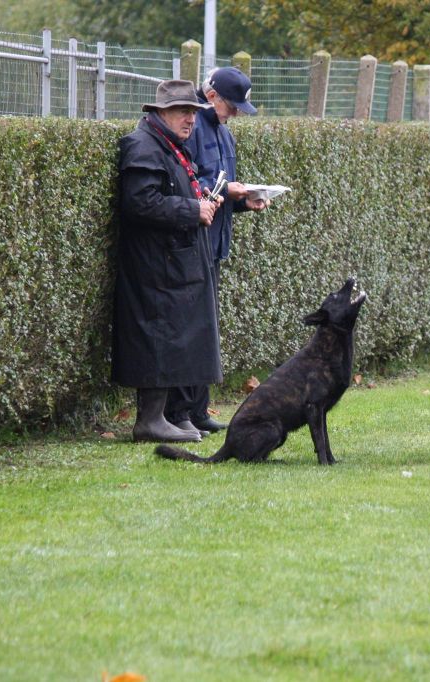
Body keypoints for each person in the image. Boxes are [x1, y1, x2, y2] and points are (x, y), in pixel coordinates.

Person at [112, 79, 223, 443]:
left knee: (176, 336)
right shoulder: (142, 145)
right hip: (153, 266)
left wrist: (202, 199)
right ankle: (150, 421)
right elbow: (140, 202)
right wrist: (193, 209)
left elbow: (170, 191)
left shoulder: (171, 145)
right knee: (158, 337)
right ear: (160, 112)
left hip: (172, 262)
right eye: (182, 111)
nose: (190, 119)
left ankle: (169, 417)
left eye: (192, 112)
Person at [170, 67, 269, 435]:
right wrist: (228, 192)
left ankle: (197, 410)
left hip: (215, 246)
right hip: (192, 243)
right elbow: (189, 181)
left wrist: (247, 202)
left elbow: (223, 191)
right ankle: (178, 412)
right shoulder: (191, 129)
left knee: (205, 330)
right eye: (232, 105)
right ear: (211, 96)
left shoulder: (225, 135)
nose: (237, 112)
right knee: (188, 329)